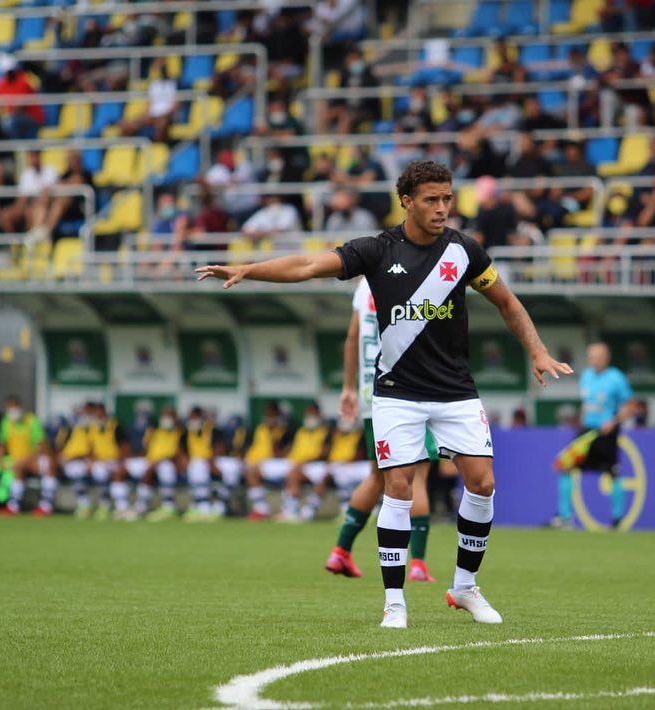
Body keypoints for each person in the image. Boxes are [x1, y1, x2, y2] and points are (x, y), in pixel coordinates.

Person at [196, 159, 573, 628]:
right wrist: (250, 269)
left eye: (447, 198)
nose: (442, 208)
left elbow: (507, 303)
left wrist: (537, 350)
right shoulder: (376, 250)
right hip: (397, 391)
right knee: (397, 486)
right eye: (432, 200)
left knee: (483, 484)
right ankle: (394, 602)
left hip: (455, 390)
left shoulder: (465, 251)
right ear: (407, 201)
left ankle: (464, 587)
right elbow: (308, 264)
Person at [323, 277, 438, 583]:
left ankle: (341, 551)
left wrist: (348, 387)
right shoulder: (411, 275)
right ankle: (418, 563)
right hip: (406, 391)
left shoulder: (364, 287)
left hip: (369, 393)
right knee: (418, 473)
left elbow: (352, 338)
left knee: (377, 475)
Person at [551, 343, 635, 530]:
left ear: (607, 358)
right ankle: (564, 517)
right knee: (565, 466)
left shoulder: (616, 378)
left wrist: (613, 422)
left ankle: (617, 519)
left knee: (613, 471)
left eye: (597, 356)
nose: (593, 360)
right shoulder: (586, 376)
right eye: (591, 357)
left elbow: (630, 405)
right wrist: (579, 423)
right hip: (586, 432)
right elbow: (586, 403)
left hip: (606, 433)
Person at [0, 396, 57, 516]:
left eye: (14, 407)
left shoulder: (31, 420)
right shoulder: (6, 422)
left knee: (49, 467)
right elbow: (2, 444)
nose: (12, 410)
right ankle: (12, 506)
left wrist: (28, 458)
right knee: (8, 469)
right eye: (9, 407)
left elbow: (41, 444)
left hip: (36, 458)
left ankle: (46, 506)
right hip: (16, 461)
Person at [241, 401, 292, 520]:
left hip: (274, 463)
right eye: (267, 415)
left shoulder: (284, 430)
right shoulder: (259, 429)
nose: (269, 418)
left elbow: (281, 452)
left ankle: (288, 510)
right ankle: (261, 509)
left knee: (252, 471)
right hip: (256, 462)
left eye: (271, 415)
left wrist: (273, 435)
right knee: (249, 472)